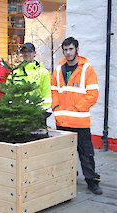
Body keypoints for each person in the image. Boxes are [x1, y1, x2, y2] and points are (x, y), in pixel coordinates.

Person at [51, 37, 102, 194]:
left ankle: (92, 181)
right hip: (62, 120)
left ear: (77, 50)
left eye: (70, 49)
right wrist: (56, 107)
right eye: (65, 50)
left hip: (79, 121)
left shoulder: (87, 69)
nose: (68, 52)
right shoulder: (58, 69)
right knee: (65, 153)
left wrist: (76, 107)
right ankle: (68, 178)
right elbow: (53, 91)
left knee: (86, 153)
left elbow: (93, 94)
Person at [8, 42, 52, 124]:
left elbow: (47, 94)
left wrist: (43, 113)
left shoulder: (43, 72)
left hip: (38, 115)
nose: (26, 54)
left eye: (29, 52)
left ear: (35, 53)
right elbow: (9, 93)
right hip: (19, 115)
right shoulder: (15, 72)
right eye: (24, 52)